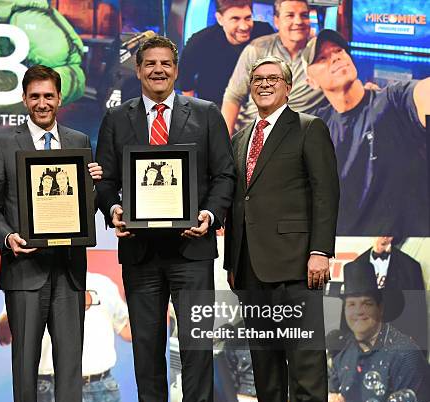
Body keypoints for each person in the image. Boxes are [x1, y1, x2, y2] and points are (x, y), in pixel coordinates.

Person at [95, 35, 236, 402]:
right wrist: (115, 209)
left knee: (195, 348)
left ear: (176, 70)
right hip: (140, 254)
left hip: (191, 252)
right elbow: (105, 181)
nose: (158, 70)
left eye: (165, 64)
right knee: (148, 350)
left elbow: (225, 177)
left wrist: (210, 217)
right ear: (138, 70)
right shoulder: (117, 119)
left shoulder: (208, 114)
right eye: (149, 64)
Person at [223, 56, 339, 402]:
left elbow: (325, 194)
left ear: (288, 87)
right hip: (249, 265)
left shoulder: (309, 128)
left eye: (274, 79)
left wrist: (320, 251)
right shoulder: (241, 137)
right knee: (264, 360)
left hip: (296, 263)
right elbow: (239, 198)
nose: (265, 84)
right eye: (258, 79)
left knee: (305, 360)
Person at [0, 65, 101, 402]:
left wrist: (96, 184)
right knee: (25, 364)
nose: (42, 103)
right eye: (34, 96)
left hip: (68, 271)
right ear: (24, 99)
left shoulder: (79, 141)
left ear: (59, 99)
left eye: (48, 96)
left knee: (70, 362)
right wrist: (6, 237)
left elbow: (89, 205)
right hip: (24, 269)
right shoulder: (2, 142)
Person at [305, 29, 430, 236]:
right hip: (345, 253)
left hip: (408, 248)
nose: (335, 57)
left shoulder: (392, 101)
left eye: (339, 50)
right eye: (322, 58)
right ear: (311, 81)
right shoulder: (315, 127)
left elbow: (422, 95)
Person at [0, 271, 132, 402]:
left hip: (103, 390)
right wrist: (17, 298)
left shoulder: (103, 283)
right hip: (50, 389)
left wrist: (155, 311)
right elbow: (4, 337)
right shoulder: (30, 282)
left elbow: (127, 331)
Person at [325, 261, 429, 402]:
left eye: (367, 303)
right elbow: (334, 396)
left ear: (380, 308)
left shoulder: (406, 355)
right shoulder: (342, 350)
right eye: (351, 304)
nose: (358, 311)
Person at [221, 0, 325, 134]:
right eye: (290, 15)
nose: (298, 21)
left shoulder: (322, 52)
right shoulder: (257, 48)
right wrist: (223, 143)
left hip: (290, 139)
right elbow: (234, 96)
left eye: (304, 15)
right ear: (276, 21)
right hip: (248, 129)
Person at [178, 0, 274, 106]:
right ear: (220, 19)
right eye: (235, 19)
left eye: (248, 18)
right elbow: (185, 81)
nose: (244, 26)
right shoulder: (200, 42)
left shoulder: (264, 32)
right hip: (215, 107)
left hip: (256, 106)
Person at [343, 236, 427, 352]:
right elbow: (348, 309)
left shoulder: (410, 266)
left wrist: (419, 354)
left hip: (398, 348)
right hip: (363, 348)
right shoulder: (356, 264)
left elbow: (418, 314)